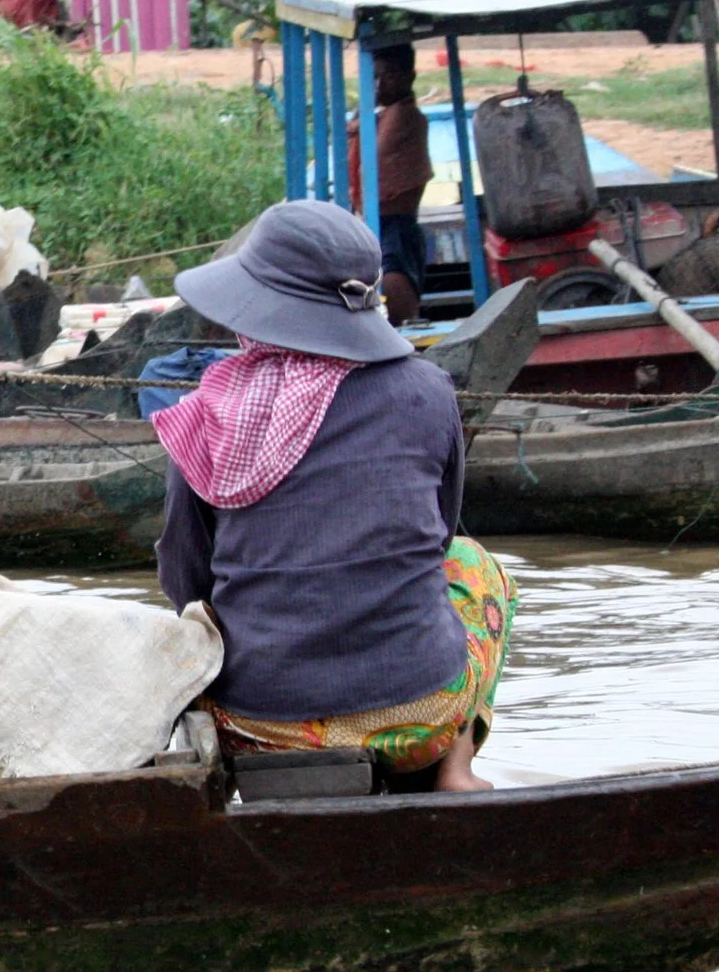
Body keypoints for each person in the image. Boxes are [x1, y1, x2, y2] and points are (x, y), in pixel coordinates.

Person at [153, 200, 513, 793]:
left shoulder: (207, 414)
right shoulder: (427, 390)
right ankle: (457, 763)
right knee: (475, 565)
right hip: (417, 717)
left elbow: (185, 576)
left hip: (257, 724)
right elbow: (440, 535)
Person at [346, 42, 435, 324]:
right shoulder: (380, 118)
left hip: (396, 225)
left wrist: (363, 110)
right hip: (379, 225)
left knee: (394, 305)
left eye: (390, 76)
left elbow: (373, 163)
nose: (381, 84)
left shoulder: (405, 116)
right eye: (376, 77)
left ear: (410, 76)